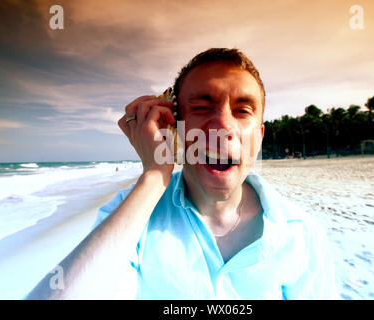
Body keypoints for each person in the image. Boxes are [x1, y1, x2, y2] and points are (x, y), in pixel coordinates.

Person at [27, 48, 338, 299]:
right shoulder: (133, 219)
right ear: (175, 128)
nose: (222, 126)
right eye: (203, 107)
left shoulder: (301, 234)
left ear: (258, 136)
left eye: (242, 110)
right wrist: (155, 174)